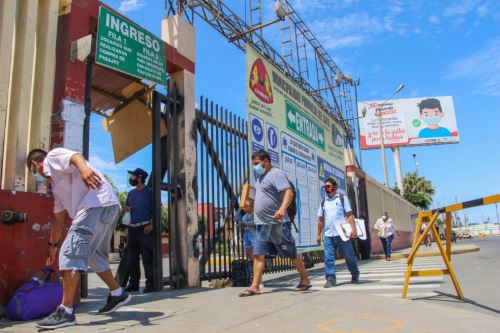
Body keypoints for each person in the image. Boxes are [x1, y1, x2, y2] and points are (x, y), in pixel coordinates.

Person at [26, 148, 130, 330]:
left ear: (35, 165)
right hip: (107, 207)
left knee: (70, 253)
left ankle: (65, 312)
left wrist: (84, 169)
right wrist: (52, 246)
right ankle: (118, 293)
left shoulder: (52, 157)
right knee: (93, 257)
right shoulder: (57, 187)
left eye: (33, 172)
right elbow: (58, 221)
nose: (36, 176)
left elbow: (74, 156)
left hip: (95, 204)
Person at [239, 150, 310, 296]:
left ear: (266, 161)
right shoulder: (259, 177)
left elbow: (288, 192)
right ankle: (255, 286)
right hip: (262, 224)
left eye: (257, 163)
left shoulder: (276, 174)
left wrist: (282, 209)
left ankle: (305, 279)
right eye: (253, 164)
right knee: (259, 254)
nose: (255, 167)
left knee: (290, 253)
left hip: (277, 224)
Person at [317, 178, 359, 288]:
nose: (327, 189)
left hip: (342, 234)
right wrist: (318, 234)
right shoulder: (323, 202)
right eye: (325, 187)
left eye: (329, 186)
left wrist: (353, 229)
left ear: (334, 187)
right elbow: (321, 220)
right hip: (328, 235)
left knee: (349, 255)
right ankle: (330, 279)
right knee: (328, 257)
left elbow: (349, 215)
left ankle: (354, 273)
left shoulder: (342, 198)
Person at [124, 168, 155, 293]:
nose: (131, 179)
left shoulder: (149, 192)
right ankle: (133, 284)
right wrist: (127, 209)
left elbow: (155, 209)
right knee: (132, 258)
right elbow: (127, 206)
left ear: (140, 177)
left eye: (133, 176)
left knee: (147, 257)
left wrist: (152, 224)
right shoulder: (131, 193)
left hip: (145, 228)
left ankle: (151, 284)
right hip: (132, 228)